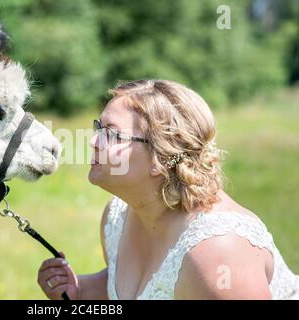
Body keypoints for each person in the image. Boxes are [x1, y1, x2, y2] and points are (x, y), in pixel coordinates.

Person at [37, 79, 299, 300]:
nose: (94, 141)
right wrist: (80, 290)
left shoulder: (219, 253)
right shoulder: (116, 217)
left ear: (160, 159)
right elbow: (142, 286)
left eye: (112, 134)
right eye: (98, 128)